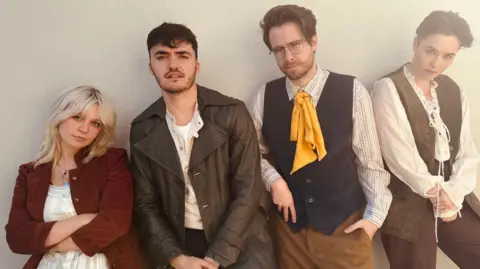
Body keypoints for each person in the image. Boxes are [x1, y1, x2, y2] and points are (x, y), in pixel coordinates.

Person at [250, 4, 392, 269]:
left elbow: (370, 163)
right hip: (289, 233)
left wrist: (373, 220)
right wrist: (274, 181)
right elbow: (247, 153)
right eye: (278, 50)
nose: (288, 56)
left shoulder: (352, 92)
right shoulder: (264, 97)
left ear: (314, 41)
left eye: (295, 45)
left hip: (346, 230)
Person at [129, 22, 276, 269]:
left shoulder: (232, 112)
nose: (173, 65)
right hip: (180, 246)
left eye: (182, 55)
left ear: (196, 65)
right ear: (150, 67)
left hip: (242, 242)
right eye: (162, 56)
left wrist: (217, 256)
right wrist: (175, 257)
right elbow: (145, 204)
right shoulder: (142, 128)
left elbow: (248, 188)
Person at [371, 10, 480, 269]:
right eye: (430, 51)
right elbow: (400, 158)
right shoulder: (388, 88)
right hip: (408, 200)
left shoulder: (453, 90)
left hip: (451, 194)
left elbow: (468, 151)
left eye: (448, 56)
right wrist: (438, 197)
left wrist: (453, 194)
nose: (436, 63)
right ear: (416, 43)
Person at [5, 86, 144, 269]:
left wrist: (47, 242)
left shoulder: (112, 160)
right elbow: (16, 237)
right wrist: (82, 220)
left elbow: (115, 222)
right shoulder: (29, 173)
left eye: (95, 123)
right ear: (60, 116)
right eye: (77, 117)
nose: (84, 129)